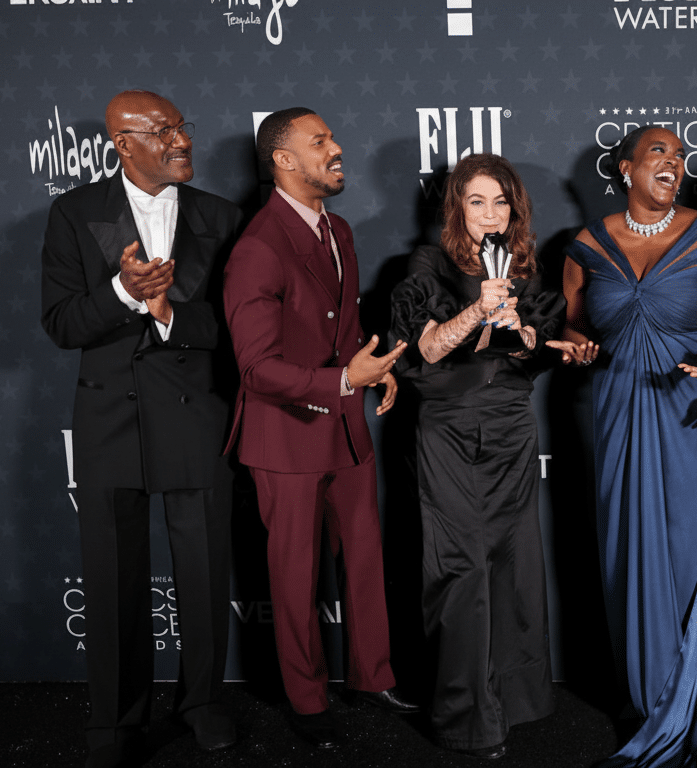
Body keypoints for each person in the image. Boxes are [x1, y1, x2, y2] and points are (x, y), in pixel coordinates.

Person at [550, 125, 697, 768]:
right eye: (660, 153)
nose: (674, 163)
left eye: (681, 156)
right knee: (631, 552)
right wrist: (578, 343)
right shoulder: (587, 246)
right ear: (626, 168)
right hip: (619, 413)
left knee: (689, 554)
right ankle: (653, 695)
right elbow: (573, 322)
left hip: (696, 411)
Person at [40, 90, 241, 768]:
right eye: (163, 131)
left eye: (182, 127)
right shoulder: (73, 213)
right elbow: (61, 324)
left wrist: (169, 314)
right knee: (112, 575)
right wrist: (124, 293)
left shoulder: (222, 216)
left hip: (195, 410)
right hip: (110, 418)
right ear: (123, 144)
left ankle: (202, 703)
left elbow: (237, 327)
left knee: (204, 568)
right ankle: (116, 722)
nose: (182, 140)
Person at [222, 107, 416, 750]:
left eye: (332, 137)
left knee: (364, 559)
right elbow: (256, 369)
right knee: (295, 576)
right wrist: (343, 381)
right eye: (319, 141)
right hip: (285, 437)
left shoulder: (339, 228)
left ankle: (373, 677)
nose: (335, 148)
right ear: (283, 160)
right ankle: (307, 701)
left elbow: (340, 329)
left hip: (347, 426)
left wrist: (372, 370)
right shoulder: (257, 248)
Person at [389, 153, 562, 760]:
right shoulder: (428, 264)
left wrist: (521, 325)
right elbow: (430, 350)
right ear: (456, 208)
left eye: (500, 202)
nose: (490, 215)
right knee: (460, 568)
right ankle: (467, 719)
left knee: (513, 563)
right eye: (477, 202)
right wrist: (478, 310)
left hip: (512, 424)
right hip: (450, 425)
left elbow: (536, 347)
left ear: (515, 209)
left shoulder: (527, 269)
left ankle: (514, 701)